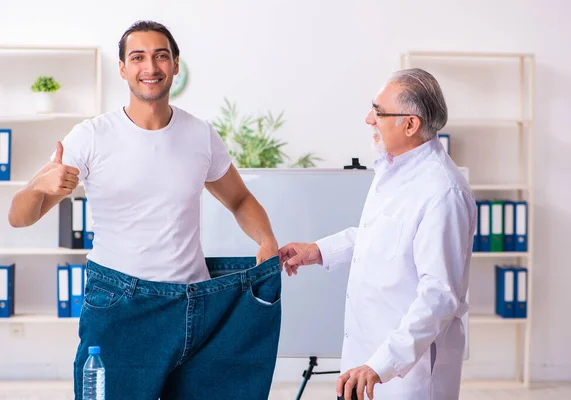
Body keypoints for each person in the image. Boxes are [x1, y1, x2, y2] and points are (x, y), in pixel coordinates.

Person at [8, 20, 282, 400]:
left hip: (196, 303)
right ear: (122, 68)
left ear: (175, 64)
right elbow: (19, 217)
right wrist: (38, 185)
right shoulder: (91, 137)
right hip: (120, 305)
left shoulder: (200, 134)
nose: (150, 68)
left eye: (160, 56)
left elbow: (239, 199)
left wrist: (266, 240)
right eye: (138, 57)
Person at [279, 68, 477, 400]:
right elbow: (380, 236)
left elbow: (439, 296)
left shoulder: (444, 192)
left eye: (378, 111)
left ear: (410, 124)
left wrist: (381, 365)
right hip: (366, 360)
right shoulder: (394, 166)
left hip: (404, 375)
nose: (368, 118)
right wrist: (320, 250)